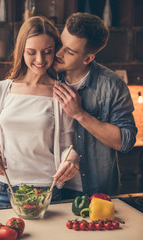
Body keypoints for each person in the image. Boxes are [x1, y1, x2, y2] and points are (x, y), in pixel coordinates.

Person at [0, 16, 80, 207]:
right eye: (31, 52)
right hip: (4, 188)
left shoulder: (61, 93)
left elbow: (69, 146)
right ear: (21, 51)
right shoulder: (2, 89)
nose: (40, 60)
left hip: (46, 191)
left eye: (47, 52)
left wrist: (72, 160)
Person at [53, 12, 137, 199]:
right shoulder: (46, 75)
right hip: (51, 189)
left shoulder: (112, 85)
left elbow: (125, 141)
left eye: (69, 51)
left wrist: (80, 114)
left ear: (88, 58)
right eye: (60, 44)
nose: (58, 53)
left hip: (96, 192)